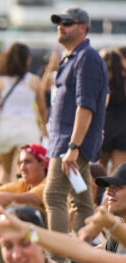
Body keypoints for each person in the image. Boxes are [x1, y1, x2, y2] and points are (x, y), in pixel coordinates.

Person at [44, 7, 108, 239]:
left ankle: (58, 256)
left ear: (83, 28)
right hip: (66, 141)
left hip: (70, 143)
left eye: (67, 22)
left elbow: (86, 106)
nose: (61, 26)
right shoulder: (74, 56)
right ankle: (80, 254)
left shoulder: (87, 57)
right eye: (59, 22)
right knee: (82, 201)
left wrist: (73, 146)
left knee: (54, 195)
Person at [0, 42, 47, 183]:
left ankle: (3, 196)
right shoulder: (34, 80)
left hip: (5, 127)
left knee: (5, 171)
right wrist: (44, 127)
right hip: (28, 128)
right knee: (26, 171)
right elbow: (42, 108)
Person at [100, 49, 126, 173]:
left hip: (104, 128)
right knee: (118, 174)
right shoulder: (124, 82)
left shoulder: (102, 82)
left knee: (99, 172)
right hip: (123, 131)